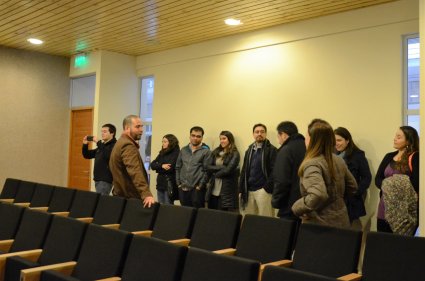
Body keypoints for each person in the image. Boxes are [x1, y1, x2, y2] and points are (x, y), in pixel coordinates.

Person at [292, 119, 357, 228]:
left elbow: (318, 194)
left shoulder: (312, 164)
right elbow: (353, 187)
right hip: (342, 221)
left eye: (306, 136)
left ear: (312, 140)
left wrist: (297, 208)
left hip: (320, 227)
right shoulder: (338, 160)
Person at [375, 126, 419, 234]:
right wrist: (389, 185)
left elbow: (416, 182)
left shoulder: (415, 157)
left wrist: (391, 183)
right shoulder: (389, 156)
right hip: (384, 206)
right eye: (395, 136)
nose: (394, 139)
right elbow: (378, 178)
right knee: (382, 241)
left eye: (399, 137)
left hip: (404, 210)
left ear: (408, 140)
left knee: (401, 245)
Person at [109, 115, 155, 207]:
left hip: (121, 196)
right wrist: (146, 193)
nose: (141, 130)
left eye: (142, 126)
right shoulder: (127, 145)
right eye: (137, 126)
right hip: (130, 199)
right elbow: (134, 171)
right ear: (127, 128)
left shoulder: (121, 142)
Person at [334, 127, 372, 230]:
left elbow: (366, 177)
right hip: (335, 201)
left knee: (351, 231)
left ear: (347, 140)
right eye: (334, 140)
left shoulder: (358, 155)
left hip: (350, 200)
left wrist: (356, 192)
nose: (336, 143)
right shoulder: (332, 155)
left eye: (339, 140)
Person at [239, 123, 277, 217]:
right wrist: (241, 189)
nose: (259, 134)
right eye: (257, 132)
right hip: (248, 191)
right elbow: (244, 170)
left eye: (262, 132)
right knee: (248, 220)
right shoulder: (249, 150)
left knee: (265, 221)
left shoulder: (272, 150)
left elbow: (275, 171)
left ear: (265, 134)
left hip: (263, 191)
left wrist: (266, 188)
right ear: (253, 134)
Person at [272, 121, 306, 221]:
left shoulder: (286, 150)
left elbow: (282, 181)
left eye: (278, 136)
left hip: (289, 206)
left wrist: (276, 202)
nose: (278, 141)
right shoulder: (308, 147)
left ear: (283, 134)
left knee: (286, 236)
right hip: (306, 204)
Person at [176, 126, 211, 208]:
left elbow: (207, 171)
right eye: (193, 135)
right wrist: (178, 183)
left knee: (197, 216)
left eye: (198, 136)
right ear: (190, 136)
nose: (195, 138)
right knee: (185, 214)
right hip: (183, 188)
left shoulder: (206, 152)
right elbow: (178, 167)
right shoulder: (183, 150)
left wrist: (200, 186)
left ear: (202, 138)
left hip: (196, 190)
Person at [206, 131, 240, 211]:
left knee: (223, 216)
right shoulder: (216, 151)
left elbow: (228, 170)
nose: (221, 141)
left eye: (224, 138)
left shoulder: (235, 153)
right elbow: (208, 166)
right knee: (213, 214)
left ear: (230, 139)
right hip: (213, 188)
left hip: (226, 190)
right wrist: (222, 167)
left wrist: (215, 174)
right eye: (220, 139)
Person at [82, 124, 117, 195]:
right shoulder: (102, 146)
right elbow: (87, 155)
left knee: (101, 202)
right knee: (100, 202)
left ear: (112, 133)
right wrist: (85, 145)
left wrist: (98, 142)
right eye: (101, 132)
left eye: (105, 131)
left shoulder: (115, 145)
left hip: (105, 180)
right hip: (98, 180)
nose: (102, 134)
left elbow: (107, 155)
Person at [150, 134, 180, 204]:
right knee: (160, 205)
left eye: (165, 141)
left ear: (171, 142)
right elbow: (152, 165)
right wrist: (162, 166)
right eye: (162, 141)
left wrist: (158, 167)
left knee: (168, 207)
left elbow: (170, 168)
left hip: (169, 184)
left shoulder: (176, 152)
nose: (163, 143)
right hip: (160, 183)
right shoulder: (162, 152)